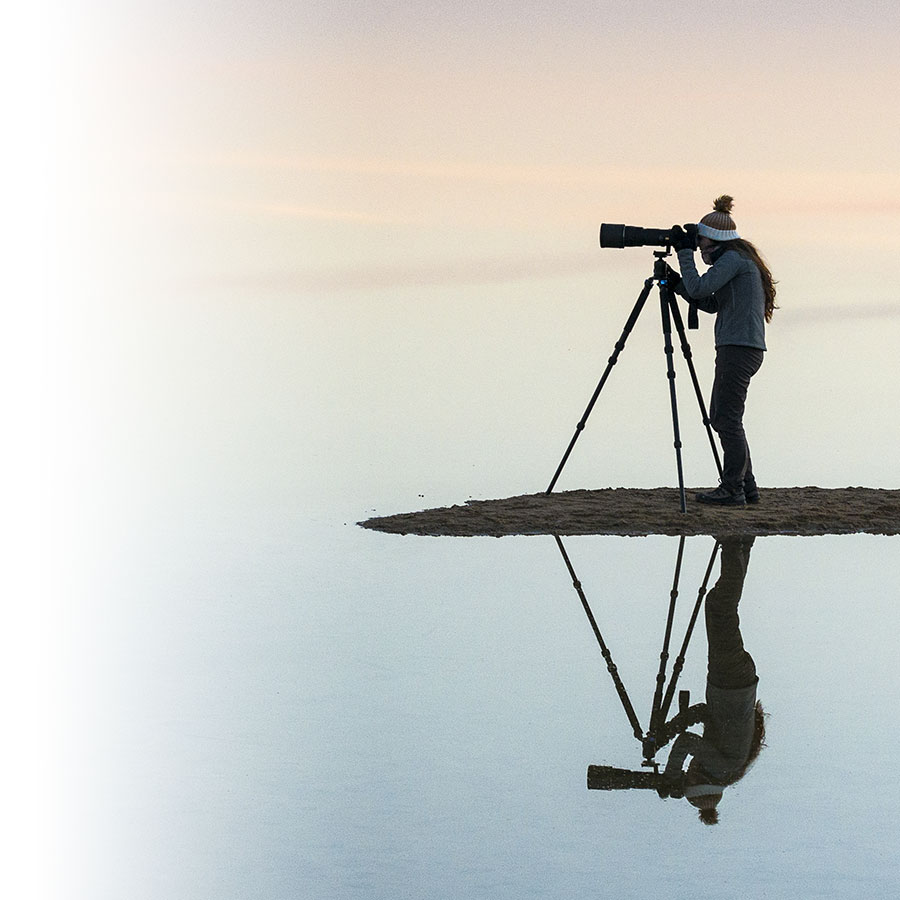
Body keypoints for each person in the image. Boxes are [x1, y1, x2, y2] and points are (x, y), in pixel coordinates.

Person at [669, 196, 777, 506]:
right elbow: (713, 303)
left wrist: (684, 253)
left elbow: (701, 288)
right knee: (725, 417)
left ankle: (733, 490)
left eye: (700, 239)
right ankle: (746, 486)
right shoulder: (737, 261)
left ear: (713, 240)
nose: (698, 244)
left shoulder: (732, 260)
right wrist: (678, 284)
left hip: (739, 349)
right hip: (742, 348)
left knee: (726, 419)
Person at [661, 535, 765, 825]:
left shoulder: (725, 768)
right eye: (689, 775)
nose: (688, 770)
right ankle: (734, 544)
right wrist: (670, 776)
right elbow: (686, 743)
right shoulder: (720, 767)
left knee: (719, 607)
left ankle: (743, 543)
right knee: (721, 609)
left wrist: (668, 729)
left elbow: (703, 714)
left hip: (733, 681)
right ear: (698, 778)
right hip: (730, 679)